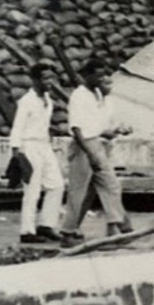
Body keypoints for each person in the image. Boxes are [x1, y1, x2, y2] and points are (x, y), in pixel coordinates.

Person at [59, 60, 133, 242]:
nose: (102, 79)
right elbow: (77, 129)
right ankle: (68, 232)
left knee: (111, 185)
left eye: (103, 76)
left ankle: (116, 225)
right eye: (98, 76)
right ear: (88, 76)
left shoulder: (99, 95)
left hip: (98, 145)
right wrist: (90, 154)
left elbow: (99, 126)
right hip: (84, 146)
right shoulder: (79, 95)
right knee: (78, 191)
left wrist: (116, 130)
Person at [8, 63, 65, 244]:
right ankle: (27, 231)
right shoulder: (27, 101)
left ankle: (46, 225)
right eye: (45, 78)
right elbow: (17, 127)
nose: (49, 82)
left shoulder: (47, 99)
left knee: (57, 185)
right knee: (32, 190)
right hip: (29, 146)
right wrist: (16, 153)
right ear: (35, 80)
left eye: (51, 78)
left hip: (44, 145)